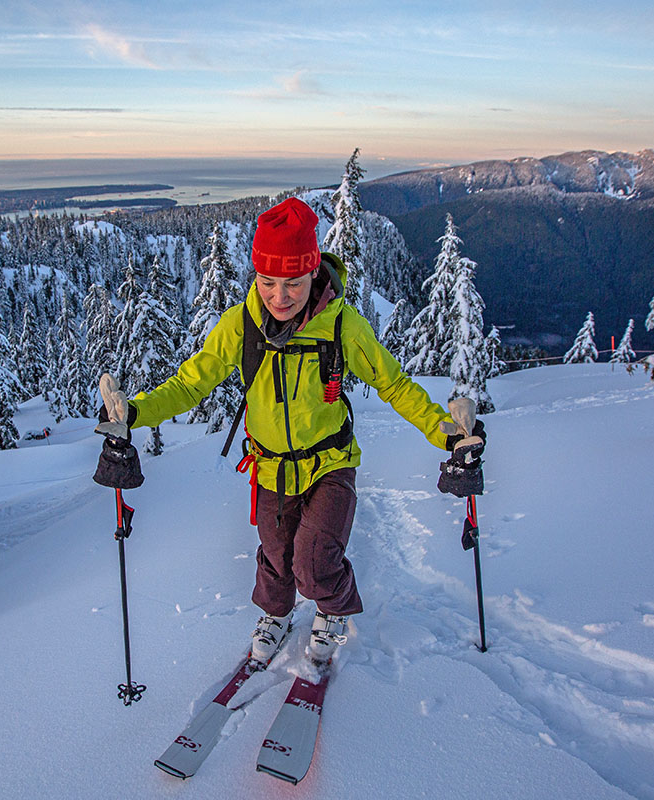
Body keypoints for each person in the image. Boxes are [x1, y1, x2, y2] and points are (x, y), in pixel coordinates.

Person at [96, 196, 485, 666]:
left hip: (331, 463)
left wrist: (447, 433)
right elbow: (190, 383)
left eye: (294, 283)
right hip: (270, 468)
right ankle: (277, 615)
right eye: (268, 282)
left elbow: (394, 383)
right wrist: (134, 413)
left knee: (314, 561)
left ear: (312, 273)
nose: (279, 296)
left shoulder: (341, 326)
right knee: (277, 557)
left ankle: (334, 609)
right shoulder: (241, 326)